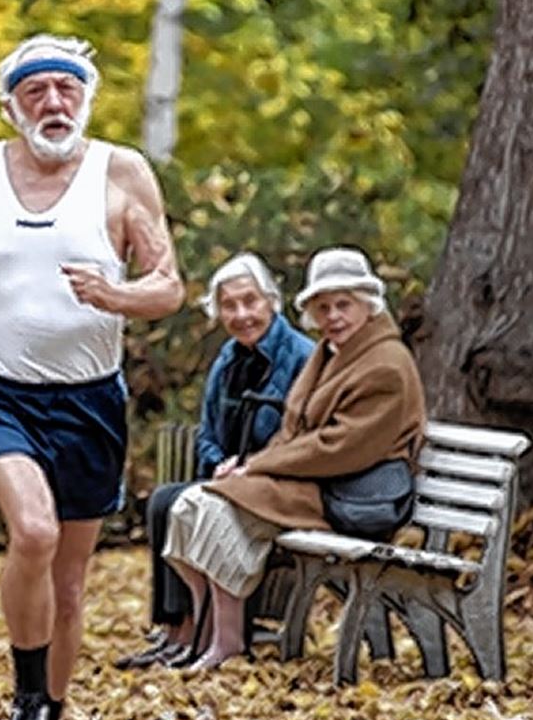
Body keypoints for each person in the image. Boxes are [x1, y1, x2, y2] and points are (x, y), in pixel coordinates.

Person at [0, 34, 184, 720]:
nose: (53, 103)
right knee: (33, 533)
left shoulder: (123, 172)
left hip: (89, 402)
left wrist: (118, 298)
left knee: (70, 588)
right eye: (35, 91)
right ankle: (24, 705)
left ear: (86, 99)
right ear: (11, 105)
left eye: (66, 90)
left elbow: (168, 285)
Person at [162, 246, 426, 671]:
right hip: (313, 481)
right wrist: (249, 465)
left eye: (344, 305)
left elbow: (340, 446)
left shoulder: (386, 365)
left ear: (368, 304)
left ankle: (227, 642)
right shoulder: (331, 352)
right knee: (188, 507)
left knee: (214, 508)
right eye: (323, 307)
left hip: (349, 494)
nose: (333, 316)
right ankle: (210, 633)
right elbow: (293, 426)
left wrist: (258, 466)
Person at [114, 253, 313, 670]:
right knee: (163, 500)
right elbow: (206, 432)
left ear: (271, 301)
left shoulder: (301, 357)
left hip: (274, 482)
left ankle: (199, 632)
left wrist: (251, 464)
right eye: (229, 305)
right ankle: (178, 629)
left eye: (250, 301)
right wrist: (220, 460)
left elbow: (300, 436)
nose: (241, 314)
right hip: (231, 475)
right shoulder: (227, 360)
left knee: (178, 502)